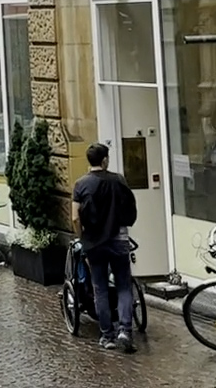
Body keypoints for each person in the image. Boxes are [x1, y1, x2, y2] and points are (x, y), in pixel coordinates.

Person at [73, 141, 140, 353]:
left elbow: (75, 217)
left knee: (100, 288)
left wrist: (82, 238)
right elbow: (130, 208)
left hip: (94, 242)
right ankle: (125, 331)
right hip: (119, 240)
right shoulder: (119, 180)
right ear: (105, 160)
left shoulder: (81, 184)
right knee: (123, 286)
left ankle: (107, 336)